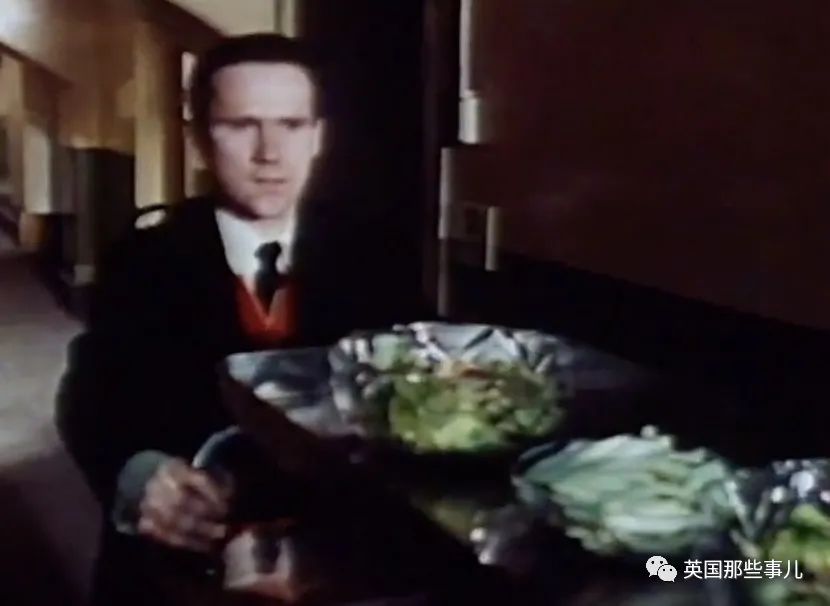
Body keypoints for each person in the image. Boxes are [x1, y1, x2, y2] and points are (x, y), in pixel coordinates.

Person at [56, 33, 426, 605]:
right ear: (201, 139)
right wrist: (137, 475)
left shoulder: (377, 253)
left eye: (291, 125)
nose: (269, 153)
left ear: (318, 137)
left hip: (337, 565)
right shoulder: (143, 258)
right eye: (242, 125)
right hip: (180, 569)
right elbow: (91, 395)